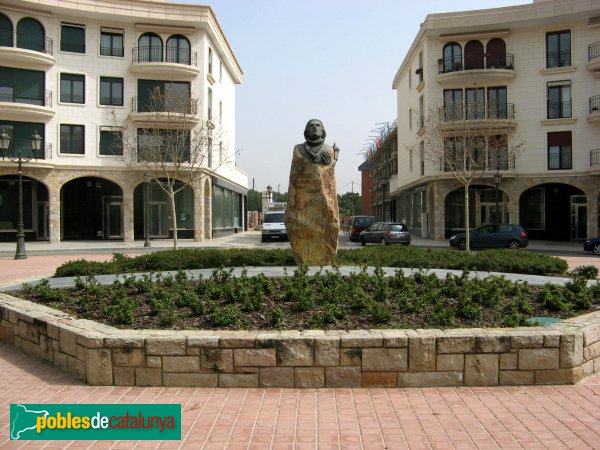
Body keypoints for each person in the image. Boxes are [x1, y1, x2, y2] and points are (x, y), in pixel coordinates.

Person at [284, 119, 339, 265]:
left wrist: (329, 162)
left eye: (318, 125)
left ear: (323, 131)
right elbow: (296, 169)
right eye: (311, 125)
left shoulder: (328, 150)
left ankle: (323, 258)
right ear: (306, 131)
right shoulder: (298, 149)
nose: (314, 127)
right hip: (301, 204)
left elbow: (330, 172)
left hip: (324, 204)